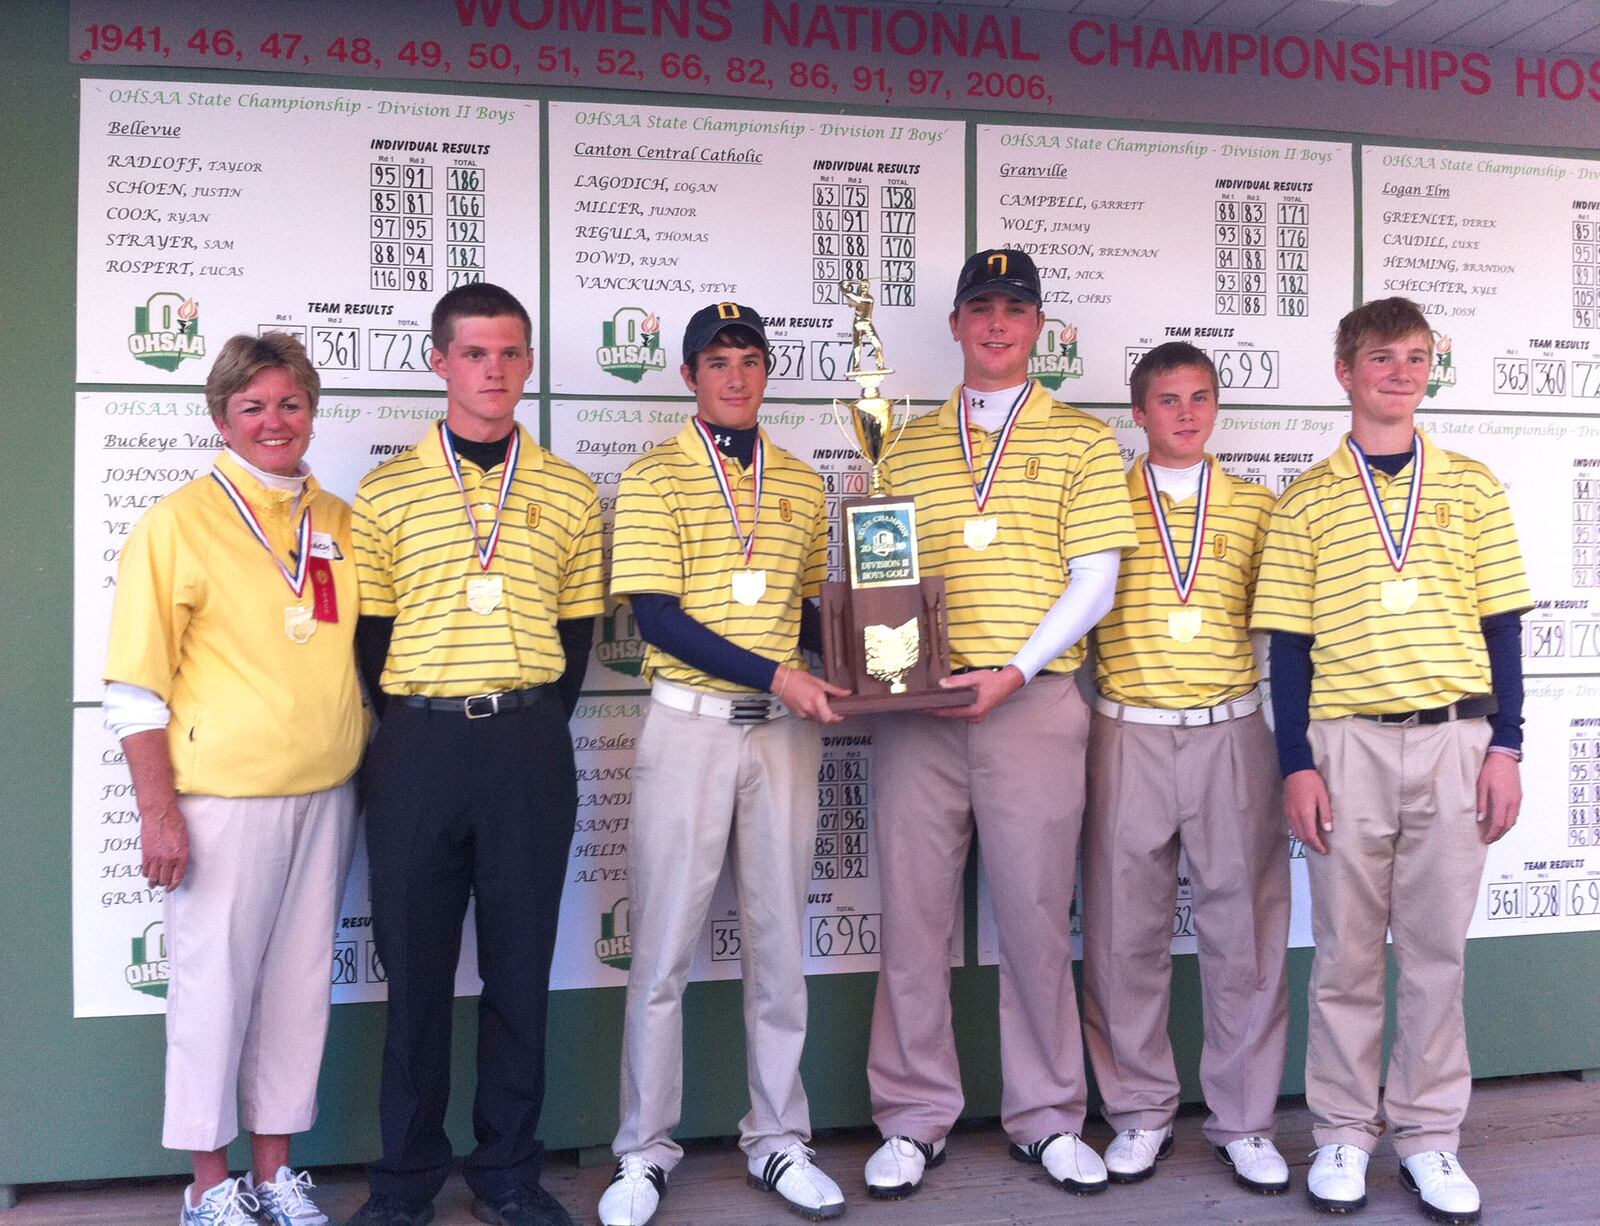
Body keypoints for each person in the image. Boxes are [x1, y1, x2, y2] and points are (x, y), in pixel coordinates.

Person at [862, 249, 1137, 1199]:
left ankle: (1050, 1116)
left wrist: (1014, 672)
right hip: (918, 711)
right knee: (912, 918)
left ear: (1038, 329)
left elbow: (1096, 580)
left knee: (1030, 916)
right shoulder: (903, 445)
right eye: (980, 307)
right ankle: (911, 1115)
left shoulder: (1085, 442)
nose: (996, 324)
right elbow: (879, 580)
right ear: (954, 324)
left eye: (1015, 310)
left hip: (1034, 704)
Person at [1252, 297, 1531, 1223]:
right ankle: (1340, 1131)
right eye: (1381, 357)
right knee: (1343, 956)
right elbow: (1287, 647)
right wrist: (1297, 762)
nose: (1400, 373)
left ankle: (1429, 1139)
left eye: (1417, 358)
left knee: (1436, 954)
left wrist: (1509, 743)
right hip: (1346, 743)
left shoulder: (1475, 485)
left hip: (1457, 739)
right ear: (1345, 371)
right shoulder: (1306, 499)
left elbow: (1502, 626)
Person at [348, 283, 605, 1226]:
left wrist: (518, 715)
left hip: (527, 749)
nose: (492, 372)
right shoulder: (385, 491)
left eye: (509, 354)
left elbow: (578, 641)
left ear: (529, 363)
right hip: (417, 748)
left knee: (518, 968)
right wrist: (432, 714)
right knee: (413, 975)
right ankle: (406, 1177)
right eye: (473, 354)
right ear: (438, 362)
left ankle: (508, 1169)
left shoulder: (572, 490)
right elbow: (370, 641)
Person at [596, 302, 851, 1226]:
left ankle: (779, 1140)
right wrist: (780, 673)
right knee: (661, 949)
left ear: (767, 372)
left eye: (749, 360)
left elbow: (818, 616)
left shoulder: (799, 478)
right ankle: (643, 1149)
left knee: (781, 946)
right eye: (717, 362)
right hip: (692, 726)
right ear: (689, 376)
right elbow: (656, 617)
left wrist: (893, 649)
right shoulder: (655, 475)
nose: (734, 376)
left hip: (784, 735)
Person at [104, 332, 365, 1226]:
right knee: (212, 996)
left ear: (312, 411)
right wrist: (158, 813)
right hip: (220, 802)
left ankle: (275, 1172)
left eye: (289, 403)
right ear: (221, 418)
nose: (273, 422)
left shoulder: (337, 520)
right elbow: (135, 689)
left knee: (297, 992)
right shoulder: (176, 523)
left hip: (326, 794)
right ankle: (209, 1186)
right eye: (251, 407)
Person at [1079, 342, 1290, 1195]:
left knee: (1243, 934)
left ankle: (1245, 1121)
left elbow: (1284, 625)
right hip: (1126, 728)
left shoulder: (1255, 507)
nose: (1188, 413)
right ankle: (1138, 1113)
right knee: (1124, 933)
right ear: (1138, 412)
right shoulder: (1101, 503)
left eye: (1201, 397)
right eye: (1168, 400)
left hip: (1229, 730)